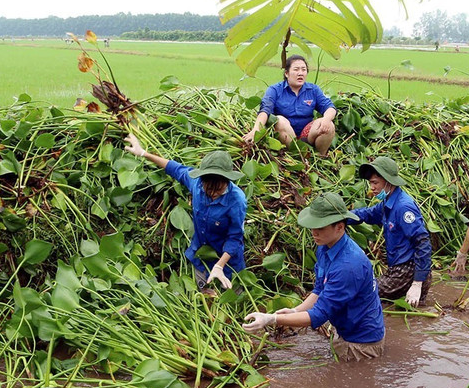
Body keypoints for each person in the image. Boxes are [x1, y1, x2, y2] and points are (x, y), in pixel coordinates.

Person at [243, 192, 385, 361]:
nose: (314, 233)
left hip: (361, 343)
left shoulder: (348, 266)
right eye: (313, 227)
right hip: (346, 327)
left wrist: (272, 319)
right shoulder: (325, 246)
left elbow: (318, 315)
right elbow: (320, 289)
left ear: (339, 227)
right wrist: (296, 310)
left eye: (320, 228)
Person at [124, 134, 246, 290]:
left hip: (228, 264)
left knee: (232, 303)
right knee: (205, 299)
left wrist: (219, 266)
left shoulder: (237, 200)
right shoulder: (196, 184)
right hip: (201, 256)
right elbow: (174, 168)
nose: (213, 194)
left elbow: (235, 237)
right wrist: (143, 153)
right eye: (209, 189)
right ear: (202, 181)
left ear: (227, 182)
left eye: (218, 189)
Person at [350, 157, 432, 306]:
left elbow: (423, 242)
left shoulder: (403, 207)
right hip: (398, 270)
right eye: (370, 183)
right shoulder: (387, 203)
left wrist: (417, 283)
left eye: (375, 183)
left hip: (408, 271)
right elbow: (367, 214)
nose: (372, 188)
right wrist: (342, 217)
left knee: (365, 294)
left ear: (388, 182)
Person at [242, 54, 337, 155]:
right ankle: (297, 154)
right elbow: (265, 110)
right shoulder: (274, 90)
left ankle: (320, 157)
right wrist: (256, 130)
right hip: (286, 136)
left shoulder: (313, 90)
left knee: (329, 125)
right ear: (287, 73)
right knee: (279, 120)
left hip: (307, 134)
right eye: (296, 70)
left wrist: (326, 119)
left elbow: (330, 107)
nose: (300, 73)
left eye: (303, 70)